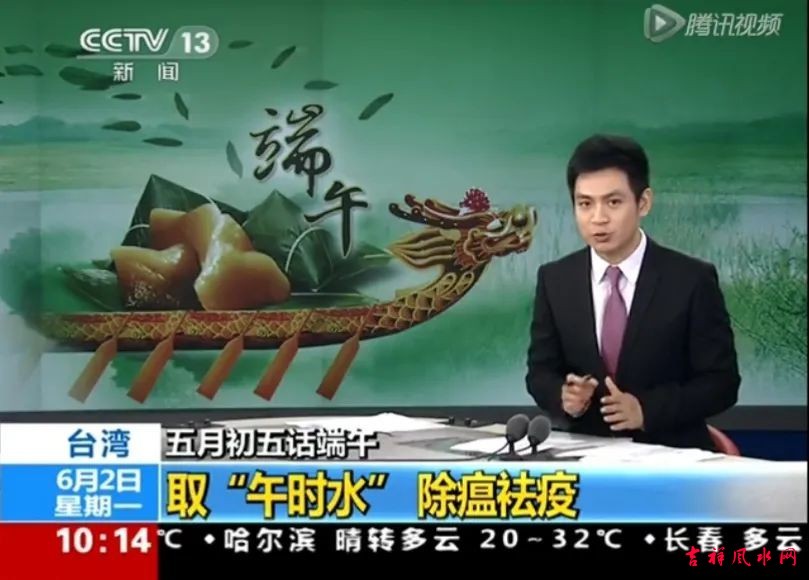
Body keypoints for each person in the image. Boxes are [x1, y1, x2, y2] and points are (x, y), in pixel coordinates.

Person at [525, 134, 741, 451]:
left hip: (672, 458)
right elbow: (540, 372)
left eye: (613, 202)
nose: (598, 218)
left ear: (643, 203)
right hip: (587, 457)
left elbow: (722, 383)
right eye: (585, 204)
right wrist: (565, 396)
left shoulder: (691, 280)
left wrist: (646, 410)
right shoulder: (555, 279)